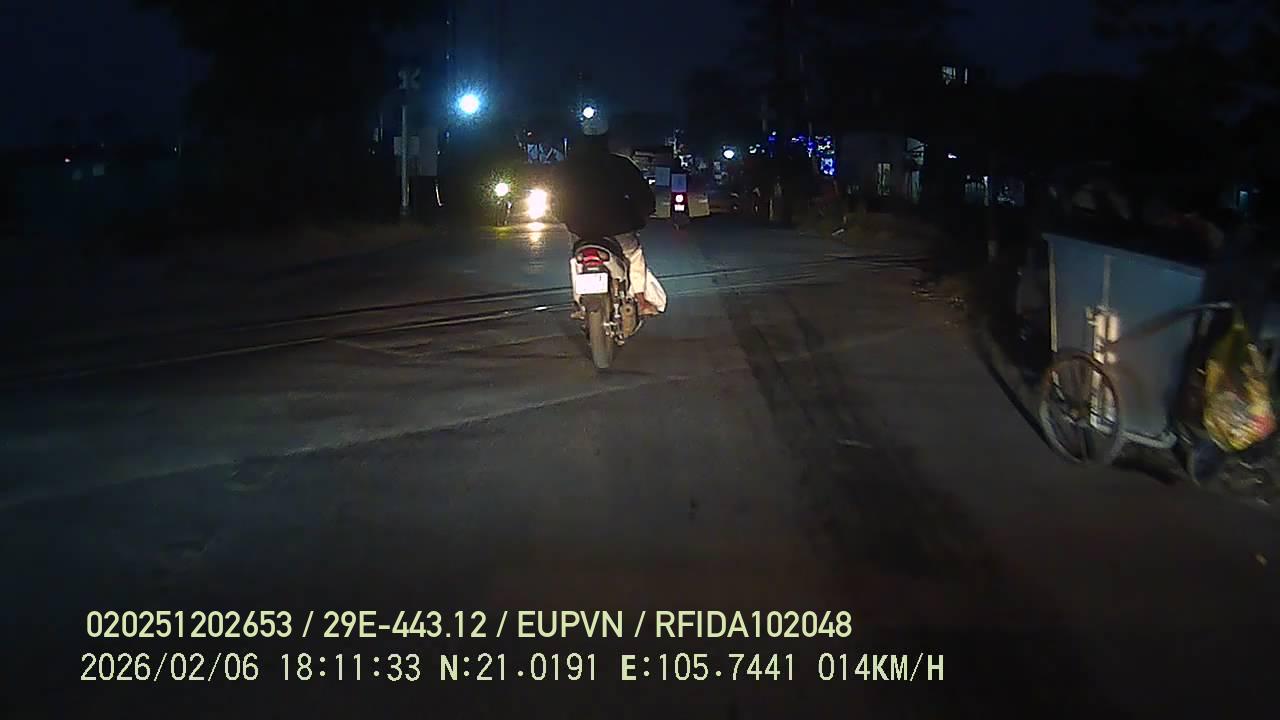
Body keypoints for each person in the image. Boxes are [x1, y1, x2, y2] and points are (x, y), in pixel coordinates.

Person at [554, 112, 666, 317]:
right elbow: (643, 197)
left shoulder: (567, 168)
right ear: (606, 139)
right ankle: (641, 300)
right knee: (634, 254)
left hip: (581, 230)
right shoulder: (621, 165)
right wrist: (643, 214)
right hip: (619, 228)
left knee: (577, 260)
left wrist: (565, 216)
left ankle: (579, 304)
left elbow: (557, 200)